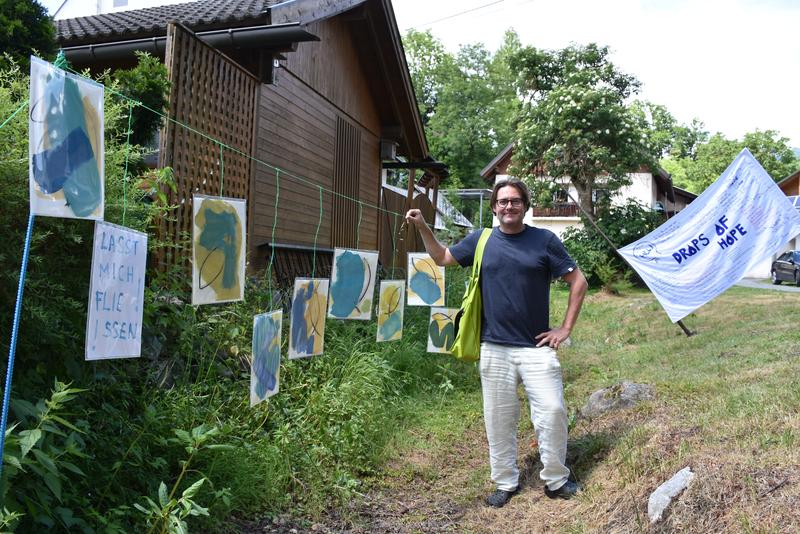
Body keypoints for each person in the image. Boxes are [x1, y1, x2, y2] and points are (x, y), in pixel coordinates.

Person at [405, 177, 588, 508]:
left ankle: (556, 479)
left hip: (536, 348)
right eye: (502, 201)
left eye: (515, 201)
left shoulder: (544, 241)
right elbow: (443, 258)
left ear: (525, 206)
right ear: (494, 207)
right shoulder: (481, 240)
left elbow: (578, 281)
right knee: (499, 418)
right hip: (493, 347)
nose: (508, 206)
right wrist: (422, 227)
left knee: (553, 410)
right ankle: (505, 482)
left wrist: (564, 329)